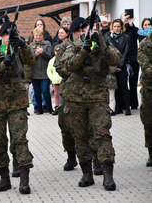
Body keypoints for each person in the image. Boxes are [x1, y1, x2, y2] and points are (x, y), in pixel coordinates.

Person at [61, 17, 121, 191]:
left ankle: (108, 175)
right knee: (80, 137)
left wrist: (100, 42)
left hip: (98, 96)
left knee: (102, 133)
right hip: (75, 97)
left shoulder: (103, 44)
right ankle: (86, 174)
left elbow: (115, 59)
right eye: (81, 30)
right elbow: (68, 65)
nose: (84, 32)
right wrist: (83, 50)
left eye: (87, 28)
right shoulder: (72, 45)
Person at [0, 21, 35, 194]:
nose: (7, 38)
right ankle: (4, 178)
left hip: (17, 100)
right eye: (5, 35)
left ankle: (24, 180)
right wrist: (4, 63)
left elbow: (31, 60)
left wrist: (23, 45)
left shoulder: (19, 47)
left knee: (20, 139)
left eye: (10, 35)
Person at [54, 19, 84, 172]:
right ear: (72, 33)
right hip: (69, 91)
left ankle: (95, 159)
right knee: (66, 126)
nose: (81, 34)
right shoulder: (64, 47)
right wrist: (72, 73)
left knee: (91, 127)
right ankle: (71, 156)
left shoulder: (92, 44)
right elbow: (58, 66)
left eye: (82, 31)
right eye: (78, 32)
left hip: (89, 92)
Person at [105, 18, 131, 115]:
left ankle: (127, 108)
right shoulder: (108, 38)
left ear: (122, 27)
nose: (116, 28)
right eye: (115, 26)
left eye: (118, 27)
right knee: (115, 87)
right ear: (112, 27)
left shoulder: (126, 37)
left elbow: (126, 52)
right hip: (113, 66)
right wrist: (114, 65)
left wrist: (120, 65)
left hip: (122, 65)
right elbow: (108, 52)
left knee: (124, 86)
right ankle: (118, 108)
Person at [29, 27, 53, 114]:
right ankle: (39, 109)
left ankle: (50, 108)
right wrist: (35, 54)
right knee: (37, 92)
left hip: (44, 72)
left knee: (45, 91)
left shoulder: (47, 44)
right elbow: (29, 59)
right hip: (34, 73)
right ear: (33, 36)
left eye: (40, 36)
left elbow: (50, 57)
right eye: (36, 36)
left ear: (43, 36)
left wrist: (42, 52)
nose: (38, 37)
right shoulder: (31, 45)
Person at [137, 30, 152, 167]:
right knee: (149, 122)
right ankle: (151, 152)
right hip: (150, 90)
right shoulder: (145, 44)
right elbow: (146, 67)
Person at [47, 44, 62, 115]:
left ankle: (62, 106)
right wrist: (52, 78)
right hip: (55, 80)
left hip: (62, 80)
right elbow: (49, 70)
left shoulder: (63, 59)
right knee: (56, 94)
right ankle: (57, 106)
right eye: (56, 51)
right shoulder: (52, 60)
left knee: (62, 94)